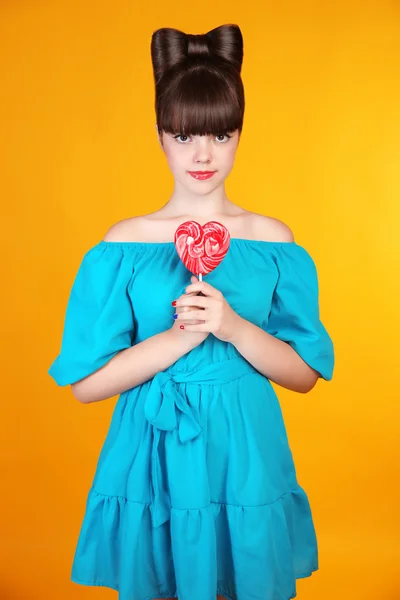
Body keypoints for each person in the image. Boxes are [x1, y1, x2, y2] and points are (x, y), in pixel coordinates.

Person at [48, 23, 335, 600]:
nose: (203, 155)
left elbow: (304, 376)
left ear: (238, 135)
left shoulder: (273, 241)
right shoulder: (123, 245)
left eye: (221, 135)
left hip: (245, 443)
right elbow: (84, 386)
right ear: (159, 135)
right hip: (152, 444)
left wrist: (231, 326)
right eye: (184, 136)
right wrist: (177, 339)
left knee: (244, 578)